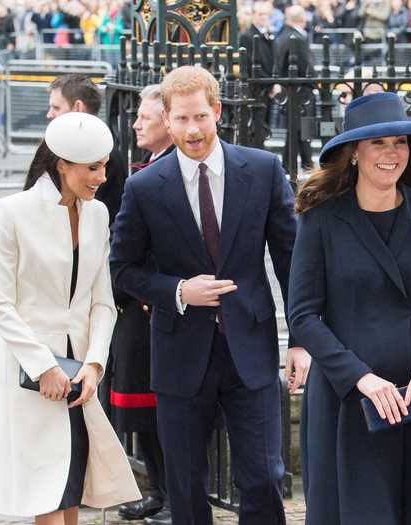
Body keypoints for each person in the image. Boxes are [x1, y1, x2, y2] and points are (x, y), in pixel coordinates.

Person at [109, 65, 310, 525]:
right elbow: (121, 269)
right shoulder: (144, 188)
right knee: (186, 485)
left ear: (217, 111)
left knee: (262, 478)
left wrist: (300, 339)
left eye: (200, 116)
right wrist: (179, 290)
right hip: (179, 352)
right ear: (166, 118)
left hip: (251, 352)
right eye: (180, 119)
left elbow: (292, 261)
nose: (192, 129)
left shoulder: (262, 170)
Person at [288, 92, 411, 525]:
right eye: (378, 143)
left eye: (399, 142)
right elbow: (303, 316)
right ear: (354, 152)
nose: (391, 153)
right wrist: (360, 378)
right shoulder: (321, 218)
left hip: (410, 394)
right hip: (346, 397)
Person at [0, 112, 141, 523]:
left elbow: (102, 301)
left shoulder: (97, 215)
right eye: (93, 167)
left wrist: (94, 363)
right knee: (44, 493)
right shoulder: (11, 212)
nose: (103, 177)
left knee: (71, 489)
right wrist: (44, 366)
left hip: (79, 375)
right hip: (29, 372)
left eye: (104, 165)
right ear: (61, 165)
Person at [112, 84, 175, 524]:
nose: (135, 124)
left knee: (165, 412)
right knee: (144, 412)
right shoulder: (147, 167)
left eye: (145, 117)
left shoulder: (172, 170)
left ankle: (174, 497)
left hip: (161, 307)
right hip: (137, 305)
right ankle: (158, 489)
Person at [47, 73, 127, 224]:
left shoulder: (105, 153)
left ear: (78, 107)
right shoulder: (54, 147)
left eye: (56, 108)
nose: (49, 114)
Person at [275, 5, 315, 173]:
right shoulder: (296, 38)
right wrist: (315, 82)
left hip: (289, 90)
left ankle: (290, 165)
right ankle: (306, 164)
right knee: (302, 129)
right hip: (300, 91)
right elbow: (307, 66)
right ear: (303, 19)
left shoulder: (281, 35)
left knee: (296, 130)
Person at [239, 0, 276, 149]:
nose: (264, 17)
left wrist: (273, 83)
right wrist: (270, 83)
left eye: (266, 14)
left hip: (266, 88)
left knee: (264, 126)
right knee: (255, 128)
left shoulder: (267, 34)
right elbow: (249, 65)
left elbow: (272, 60)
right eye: (260, 14)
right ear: (253, 15)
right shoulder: (247, 36)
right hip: (255, 89)